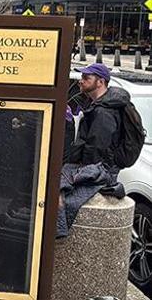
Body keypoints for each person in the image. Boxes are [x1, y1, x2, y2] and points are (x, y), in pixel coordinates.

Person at [59, 63, 128, 236]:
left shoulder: (104, 112)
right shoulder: (99, 105)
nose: (81, 81)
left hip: (99, 169)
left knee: (58, 190)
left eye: (86, 78)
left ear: (100, 82)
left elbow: (97, 149)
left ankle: (59, 231)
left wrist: (81, 171)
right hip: (97, 166)